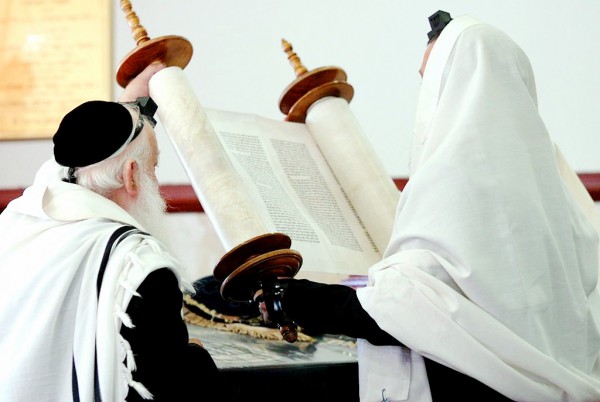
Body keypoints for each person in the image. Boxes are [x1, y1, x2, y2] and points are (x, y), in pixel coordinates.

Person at [253, 10, 600, 401]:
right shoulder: (555, 185)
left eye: (431, 81)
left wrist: (298, 300)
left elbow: (413, 314)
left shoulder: (458, 179)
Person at [0, 62, 220, 401]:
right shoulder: (137, 264)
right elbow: (172, 389)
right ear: (131, 175)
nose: (156, 181)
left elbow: (66, 159)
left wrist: (133, 99)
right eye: (154, 167)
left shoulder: (21, 220)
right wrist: (195, 355)